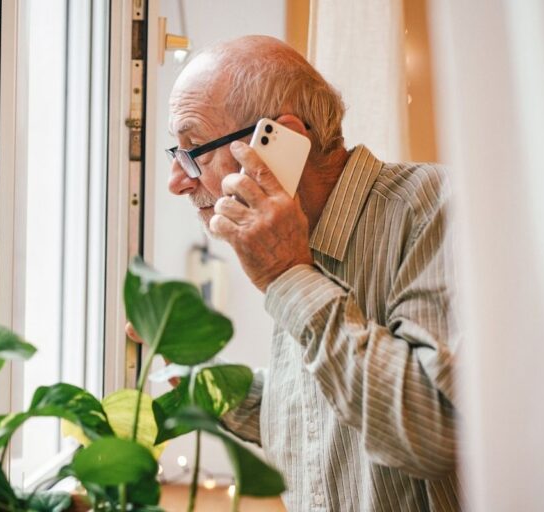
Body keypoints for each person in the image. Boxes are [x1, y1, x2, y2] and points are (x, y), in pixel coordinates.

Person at [129, 35, 461, 511]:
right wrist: (192, 372)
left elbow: (432, 427)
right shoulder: (301, 241)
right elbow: (315, 414)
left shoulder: (435, 208)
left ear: (282, 141)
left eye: (194, 149)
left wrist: (288, 276)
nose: (177, 181)